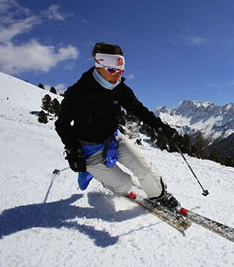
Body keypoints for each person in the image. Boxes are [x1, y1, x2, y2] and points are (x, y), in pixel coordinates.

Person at [55, 42, 180, 210]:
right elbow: (61, 124)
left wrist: (161, 127)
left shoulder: (120, 89)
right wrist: (74, 151)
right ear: (99, 66)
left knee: (147, 172)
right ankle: (96, 174)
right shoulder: (78, 92)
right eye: (112, 70)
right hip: (89, 149)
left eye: (120, 71)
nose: (116, 76)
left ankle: (160, 197)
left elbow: (139, 110)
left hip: (114, 139)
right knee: (125, 184)